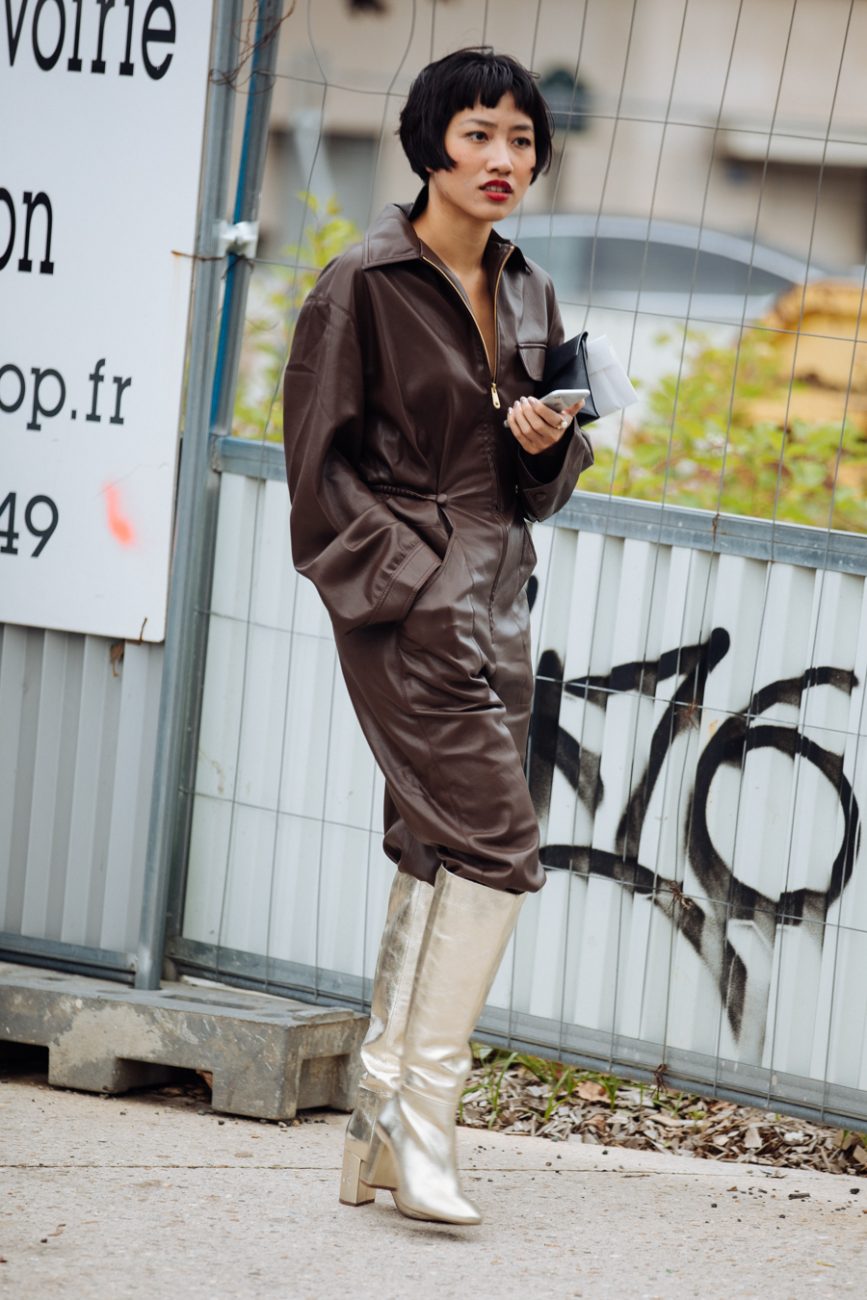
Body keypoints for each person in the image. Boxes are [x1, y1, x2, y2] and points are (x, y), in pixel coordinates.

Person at [282, 47, 594, 1226]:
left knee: (436, 844)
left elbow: (541, 483)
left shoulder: (529, 290)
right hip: (409, 600)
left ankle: (372, 1122)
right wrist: (406, 579)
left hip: (500, 596)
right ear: (429, 146)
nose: (503, 158)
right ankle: (426, 1129)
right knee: (502, 845)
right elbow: (317, 472)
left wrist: (541, 445)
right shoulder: (360, 284)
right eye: (478, 134)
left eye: (522, 139)